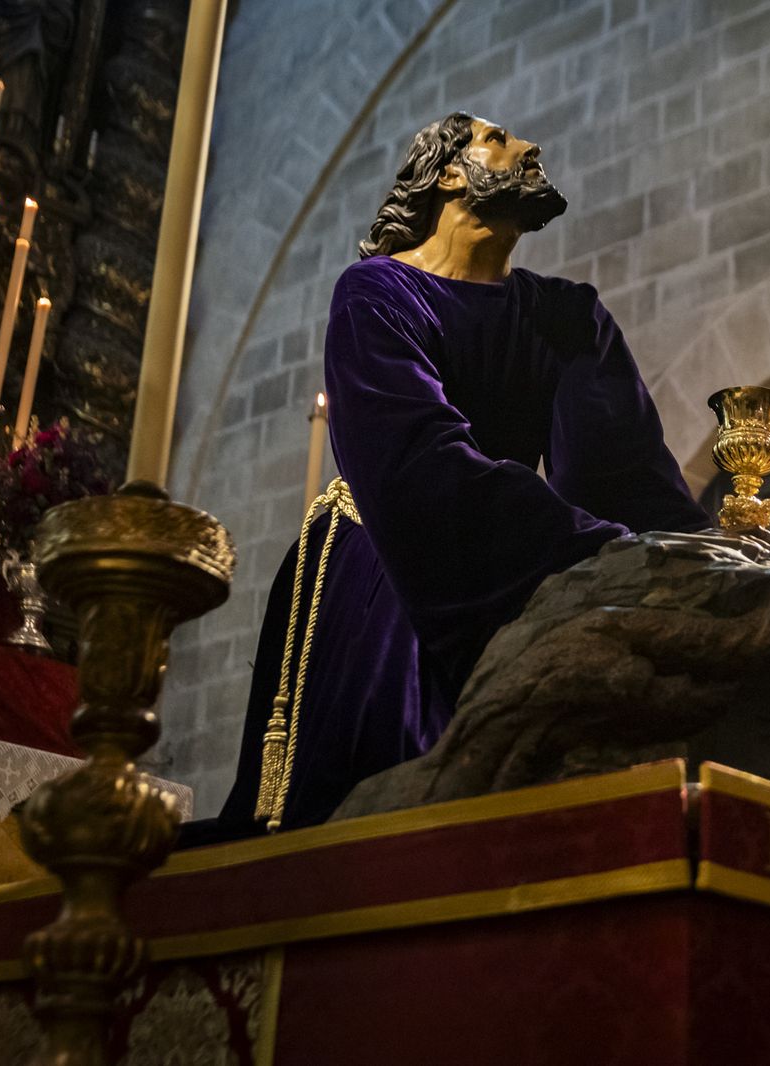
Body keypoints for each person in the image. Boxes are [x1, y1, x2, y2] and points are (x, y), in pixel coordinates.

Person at [195, 113, 707, 841]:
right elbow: (417, 467)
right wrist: (596, 549)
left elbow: (625, 480)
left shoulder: (567, 315)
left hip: (520, 558)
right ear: (449, 173)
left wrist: (712, 560)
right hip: (389, 572)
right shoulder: (377, 294)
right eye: (501, 141)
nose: (532, 147)